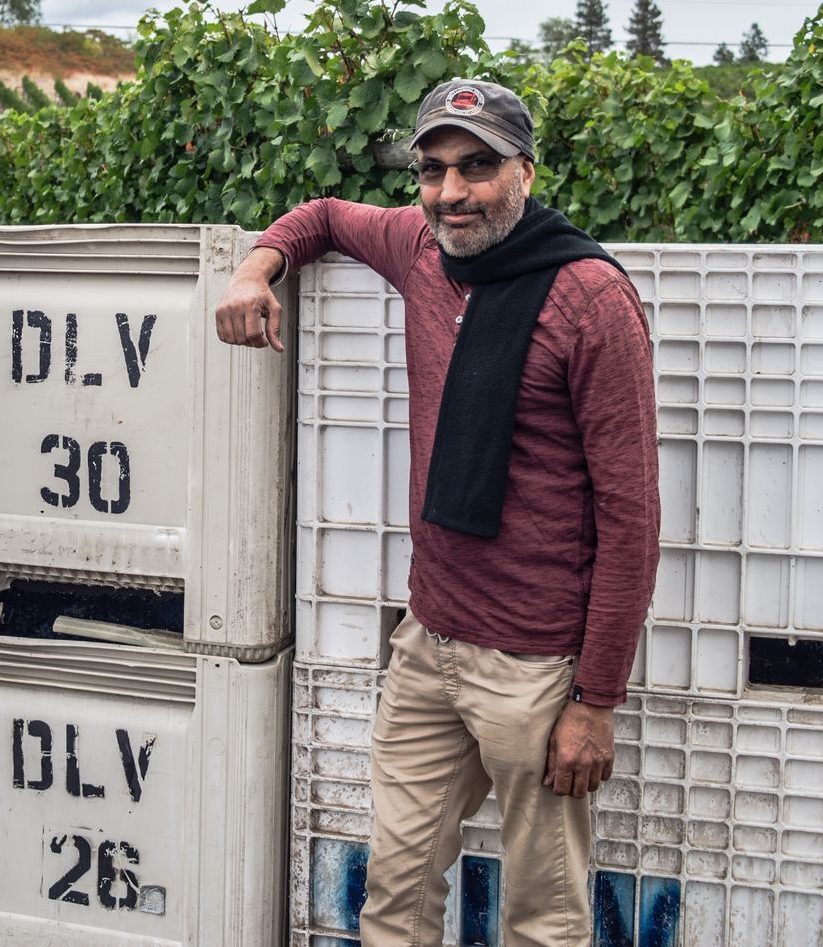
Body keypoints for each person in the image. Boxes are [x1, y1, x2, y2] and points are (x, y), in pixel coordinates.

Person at [216, 79, 659, 946]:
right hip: (429, 645)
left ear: (525, 171)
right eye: (432, 170)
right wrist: (253, 266)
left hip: (533, 670)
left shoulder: (590, 300)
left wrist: (595, 700)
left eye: (478, 167)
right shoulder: (423, 248)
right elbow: (325, 217)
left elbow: (632, 519)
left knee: (543, 920)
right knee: (395, 895)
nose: (451, 192)